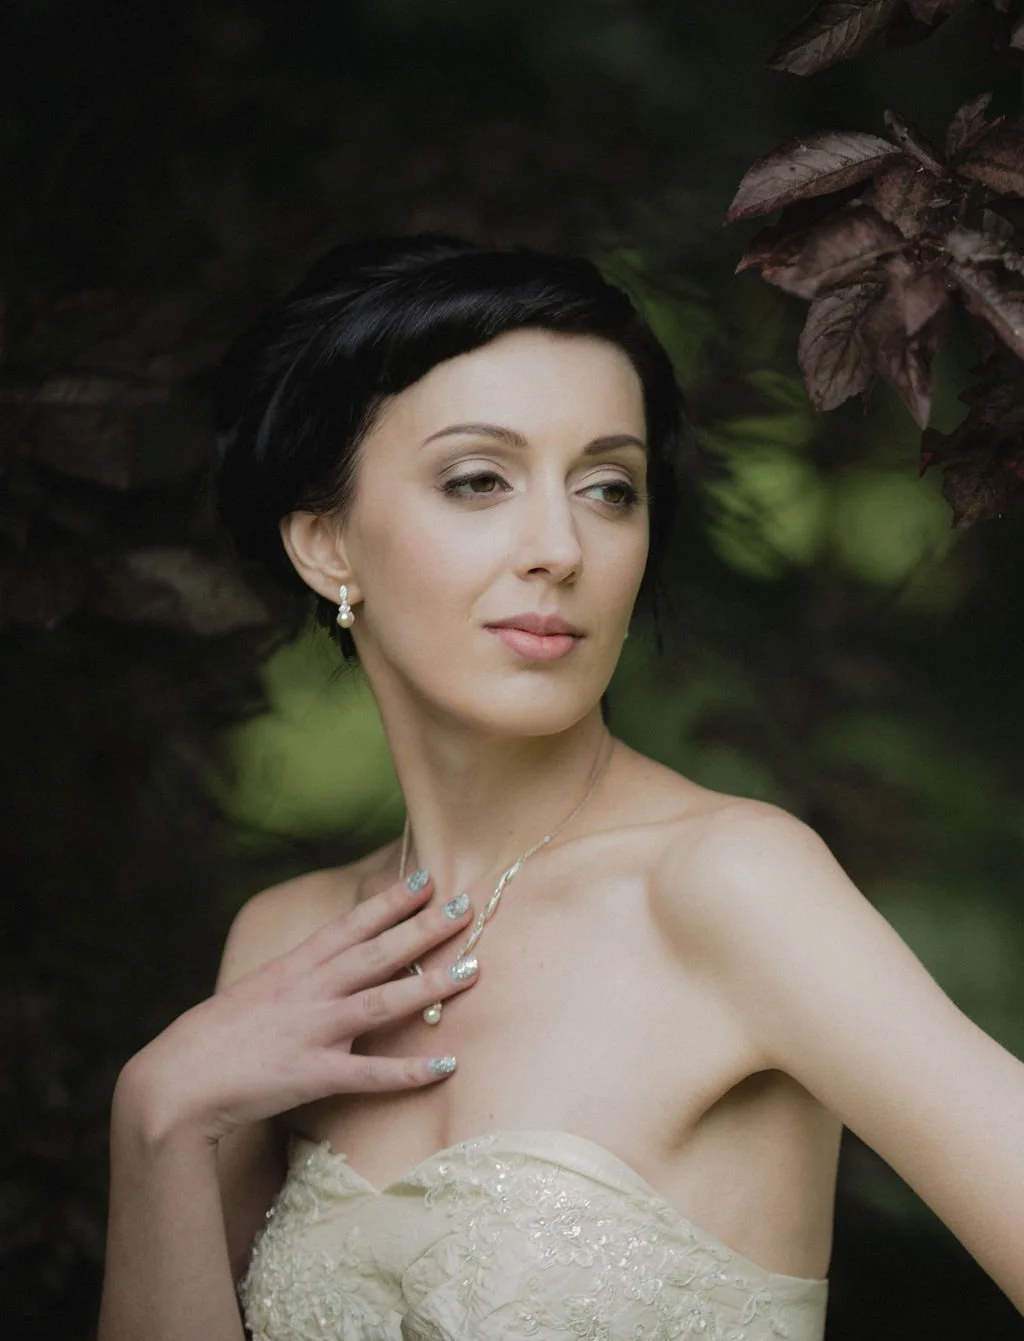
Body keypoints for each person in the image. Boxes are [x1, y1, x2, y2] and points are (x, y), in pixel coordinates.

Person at [97, 236, 1024, 1341]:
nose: (560, 546)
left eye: (609, 488)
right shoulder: (288, 940)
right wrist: (155, 1120)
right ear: (324, 542)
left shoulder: (726, 884)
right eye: (478, 480)